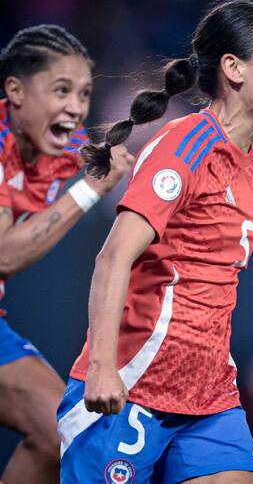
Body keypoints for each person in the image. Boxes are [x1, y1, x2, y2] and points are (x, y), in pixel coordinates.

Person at [56, 0, 253, 483]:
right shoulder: (187, 145)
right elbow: (113, 258)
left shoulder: (249, 162)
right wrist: (105, 367)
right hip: (134, 385)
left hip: (209, 396)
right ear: (234, 67)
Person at [0, 24, 132, 484]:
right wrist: (91, 189)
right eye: (61, 91)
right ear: (15, 91)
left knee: (57, 434)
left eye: (84, 93)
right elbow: (3, 257)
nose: (75, 107)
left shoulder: (64, 145)